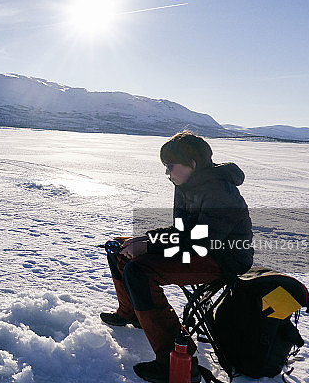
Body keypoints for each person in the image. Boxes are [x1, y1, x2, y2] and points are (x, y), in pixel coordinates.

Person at [100, 131, 254, 383]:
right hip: (197, 247)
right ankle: (131, 313)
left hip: (222, 257)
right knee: (119, 247)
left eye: (170, 166)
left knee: (139, 271)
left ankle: (178, 361)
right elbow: (181, 231)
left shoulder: (219, 191)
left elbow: (202, 239)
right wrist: (144, 240)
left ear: (192, 163)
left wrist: (149, 246)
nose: (167, 173)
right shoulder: (186, 186)